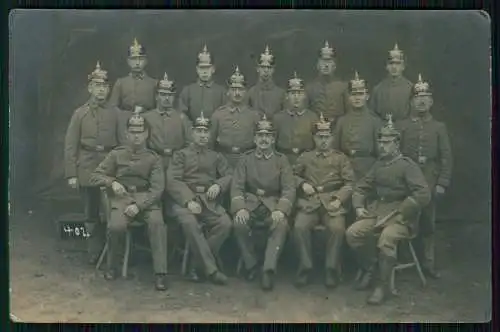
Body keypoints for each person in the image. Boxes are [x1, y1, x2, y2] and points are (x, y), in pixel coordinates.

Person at [345, 115, 431, 305]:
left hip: (402, 217)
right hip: (378, 213)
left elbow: (423, 193)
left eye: (387, 142)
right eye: (381, 142)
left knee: (386, 238)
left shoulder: (407, 165)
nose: (383, 146)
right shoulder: (378, 165)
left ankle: (381, 287)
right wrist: (359, 207)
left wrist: (403, 211)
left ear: (397, 143)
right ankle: (370, 268)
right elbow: (361, 187)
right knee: (353, 233)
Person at [89, 112, 168, 291]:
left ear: (147, 133)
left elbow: (157, 189)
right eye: (132, 131)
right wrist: (112, 182)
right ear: (126, 133)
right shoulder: (117, 155)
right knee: (116, 226)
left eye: (140, 131)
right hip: (122, 199)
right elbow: (94, 176)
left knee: (157, 223)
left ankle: (160, 274)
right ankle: (112, 266)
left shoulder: (153, 158)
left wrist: (139, 206)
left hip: (146, 199)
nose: (136, 135)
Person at [231, 114, 296, 291]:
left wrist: (281, 209)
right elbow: (237, 187)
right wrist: (240, 208)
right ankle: (251, 265)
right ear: (255, 138)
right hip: (250, 204)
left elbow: (289, 189)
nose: (264, 139)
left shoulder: (281, 160)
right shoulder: (245, 159)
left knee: (281, 224)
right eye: (260, 135)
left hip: (272, 205)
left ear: (273, 138)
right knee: (239, 223)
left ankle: (268, 269)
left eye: (268, 136)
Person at [64, 61, 121, 265]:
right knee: (90, 212)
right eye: (97, 86)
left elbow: (122, 144)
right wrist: (72, 173)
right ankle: (93, 251)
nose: (101, 90)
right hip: (87, 166)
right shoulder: (80, 114)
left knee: (111, 211)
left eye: (104, 87)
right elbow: (71, 145)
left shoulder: (115, 113)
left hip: (109, 167)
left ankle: (113, 252)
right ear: (90, 88)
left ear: (108, 89)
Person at [166, 112, 232, 285]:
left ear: (210, 135)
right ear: (192, 133)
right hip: (183, 202)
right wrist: (188, 200)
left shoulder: (216, 156)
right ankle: (211, 270)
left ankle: (195, 265)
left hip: (208, 203)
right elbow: (173, 180)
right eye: (199, 131)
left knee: (225, 223)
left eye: (206, 132)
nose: (202, 135)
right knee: (189, 222)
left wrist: (219, 185)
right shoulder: (181, 155)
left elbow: (230, 175)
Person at [397, 74, 453, 279]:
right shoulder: (402, 126)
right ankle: (403, 261)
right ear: (411, 101)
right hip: (407, 181)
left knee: (428, 224)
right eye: (417, 98)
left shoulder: (439, 127)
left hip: (430, 179)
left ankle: (428, 264)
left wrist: (442, 183)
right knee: (404, 220)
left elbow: (446, 157)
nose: (421, 101)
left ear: (430, 101)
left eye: (425, 97)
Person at [292, 113, 355, 289]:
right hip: (310, 202)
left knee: (337, 228)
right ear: (314, 138)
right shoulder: (306, 157)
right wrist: (302, 183)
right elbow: (292, 176)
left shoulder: (340, 158)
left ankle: (331, 269)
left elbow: (350, 183)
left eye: (327, 137)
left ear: (332, 138)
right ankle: (305, 266)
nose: (323, 141)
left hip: (332, 202)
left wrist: (339, 199)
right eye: (320, 137)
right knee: (299, 227)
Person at [334, 71, 383, 180]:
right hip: (344, 170)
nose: (357, 98)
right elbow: (335, 151)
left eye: (360, 94)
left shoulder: (375, 121)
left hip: (367, 170)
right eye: (353, 94)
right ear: (349, 97)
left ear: (367, 96)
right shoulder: (341, 121)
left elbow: (380, 153)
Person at [210, 66, 262, 168]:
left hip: (247, 161)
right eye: (234, 89)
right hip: (223, 161)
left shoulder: (254, 116)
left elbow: (259, 144)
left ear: (245, 91)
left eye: (240, 89)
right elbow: (210, 144)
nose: (237, 93)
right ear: (228, 91)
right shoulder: (218, 115)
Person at [108, 38, 158, 141]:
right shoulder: (121, 83)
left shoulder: (154, 83)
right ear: (128, 62)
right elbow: (113, 107)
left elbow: (158, 109)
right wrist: (124, 116)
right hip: (126, 126)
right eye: (134, 59)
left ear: (145, 61)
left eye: (140, 59)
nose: (137, 63)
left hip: (148, 126)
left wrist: (146, 115)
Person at [274, 72, 319, 165]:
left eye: (299, 93)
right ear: (286, 96)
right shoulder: (278, 118)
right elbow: (273, 146)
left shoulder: (312, 117)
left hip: (307, 162)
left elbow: (317, 145)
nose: (296, 97)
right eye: (293, 93)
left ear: (304, 96)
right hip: (284, 162)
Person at [305, 41, 348, 125]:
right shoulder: (309, 88)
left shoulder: (343, 87)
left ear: (334, 65)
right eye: (323, 61)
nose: (326, 65)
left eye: (329, 61)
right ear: (318, 65)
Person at [179, 45, 226, 122]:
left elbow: (225, 116)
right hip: (192, 131)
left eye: (207, 68)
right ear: (197, 69)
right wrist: (192, 132)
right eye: (202, 68)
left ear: (213, 69)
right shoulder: (187, 91)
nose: (204, 71)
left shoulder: (221, 92)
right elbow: (182, 116)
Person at [369, 43, 413, 122]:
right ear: (386, 66)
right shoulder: (378, 89)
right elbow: (373, 116)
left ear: (403, 66)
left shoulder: (411, 88)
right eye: (391, 63)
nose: (394, 67)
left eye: (398, 64)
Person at [246, 45, 286, 118]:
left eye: (269, 68)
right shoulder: (251, 92)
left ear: (273, 70)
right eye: (263, 67)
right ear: (257, 69)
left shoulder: (281, 94)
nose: (266, 70)